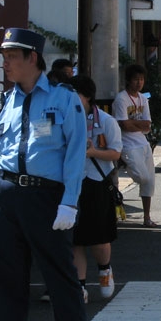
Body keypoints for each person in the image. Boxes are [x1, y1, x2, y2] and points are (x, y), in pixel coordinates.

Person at [0, 27, 93, 321]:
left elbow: (74, 154)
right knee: (7, 283)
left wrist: (69, 202)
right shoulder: (1, 103)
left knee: (61, 280)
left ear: (32, 59)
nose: (5, 63)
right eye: (4, 56)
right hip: (4, 195)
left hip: (46, 198)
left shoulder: (63, 98)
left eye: (11, 56)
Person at [69, 75, 121, 303]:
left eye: (75, 96)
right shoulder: (64, 120)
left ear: (87, 97)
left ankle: (104, 270)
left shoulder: (107, 121)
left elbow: (115, 154)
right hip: (72, 182)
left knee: (99, 238)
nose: (70, 101)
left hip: (97, 182)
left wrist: (93, 153)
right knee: (76, 239)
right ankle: (79, 286)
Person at [113, 64, 157, 227]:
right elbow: (123, 125)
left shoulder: (143, 98)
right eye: (136, 79)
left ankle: (147, 217)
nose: (139, 83)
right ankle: (124, 163)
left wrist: (133, 124)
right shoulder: (121, 99)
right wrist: (137, 124)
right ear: (128, 81)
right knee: (142, 177)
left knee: (149, 181)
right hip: (127, 143)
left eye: (141, 79)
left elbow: (147, 125)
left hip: (142, 142)